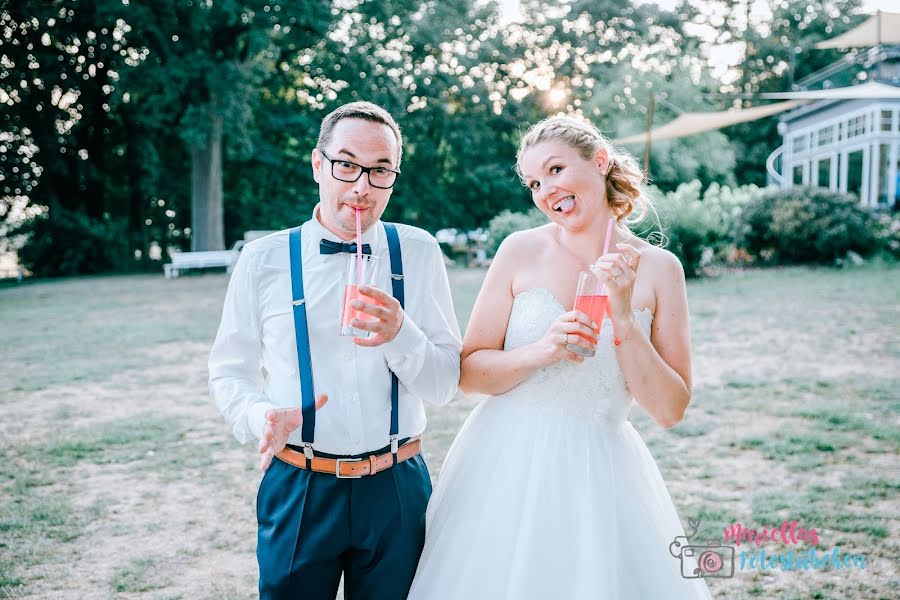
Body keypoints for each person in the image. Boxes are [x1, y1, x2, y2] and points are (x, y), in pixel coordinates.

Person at [408, 115, 712, 599]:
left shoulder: (659, 270)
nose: (545, 190)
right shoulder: (519, 251)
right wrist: (540, 351)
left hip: (601, 472)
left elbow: (670, 409)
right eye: (533, 182)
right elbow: (470, 373)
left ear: (599, 161)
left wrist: (625, 320)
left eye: (555, 170)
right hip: (503, 464)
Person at [208, 101, 462, 600]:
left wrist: (402, 334)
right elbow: (228, 371)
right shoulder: (264, 260)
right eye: (347, 164)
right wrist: (261, 417)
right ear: (318, 163)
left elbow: (445, 384)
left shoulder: (419, 251)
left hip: (396, 487)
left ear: (393, 176)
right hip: (299, 484)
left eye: (380, 170)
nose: (362, 186)